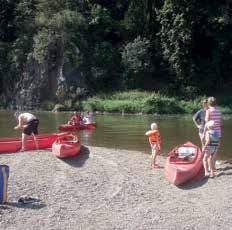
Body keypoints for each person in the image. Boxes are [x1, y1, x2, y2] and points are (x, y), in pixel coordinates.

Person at [203, 97, 222, 171]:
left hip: (210, 133)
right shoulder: (219, 112)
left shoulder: (208, 111)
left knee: (209, 150)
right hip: (218, 133)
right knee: (215, 150)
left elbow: (206, 123)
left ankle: (209, 169)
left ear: (208, 103)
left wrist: (204, 134)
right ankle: (213, 167)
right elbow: (220, 123)